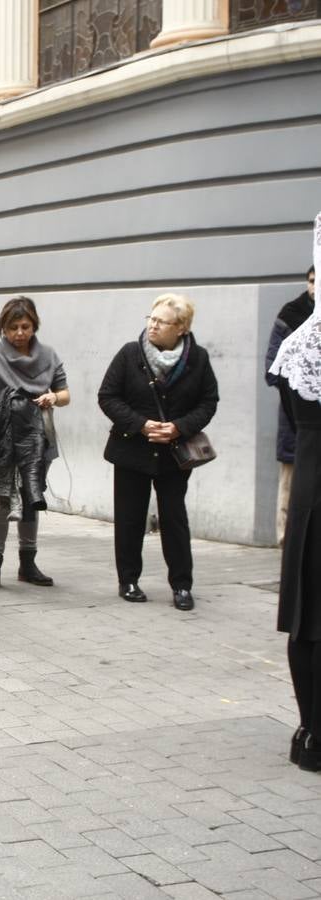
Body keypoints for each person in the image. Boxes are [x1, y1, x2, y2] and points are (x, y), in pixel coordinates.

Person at [97, 293, 219, 611]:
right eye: (150, 319)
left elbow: (208, 401)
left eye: (160, 321)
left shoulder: (198, 359)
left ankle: (181, 585)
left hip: (174, 454)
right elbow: (108, 396)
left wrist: (180, 427)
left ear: (180, 327)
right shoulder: (130, 353)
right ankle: (129, 580)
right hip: (131, 449)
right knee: (129, 518)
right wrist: (141, 424)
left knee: (174, 518)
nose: (152, 325)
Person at [0, 296, 70, 592]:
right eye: (12, 327)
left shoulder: (48, 356)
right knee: (0, 502)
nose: (19, 333)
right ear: (3, 328)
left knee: (31, 498)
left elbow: (65, 394)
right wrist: (7, 401)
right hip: (3, 438)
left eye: (25, 326)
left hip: (39, 438)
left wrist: (52, 397)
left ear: (34, 325)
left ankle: (28, 563)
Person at [270, 220, 321, 771]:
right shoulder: (304, 341)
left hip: (312, 476)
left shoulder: (300, 343)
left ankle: (310, 732)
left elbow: (293, 410)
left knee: (310, 614)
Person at [266, 265, 316, 544]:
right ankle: (287, 544)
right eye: (311, 281)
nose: (315, 286)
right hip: (296, 419)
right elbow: (272, 369)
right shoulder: (291, 315)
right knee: (290, 484)